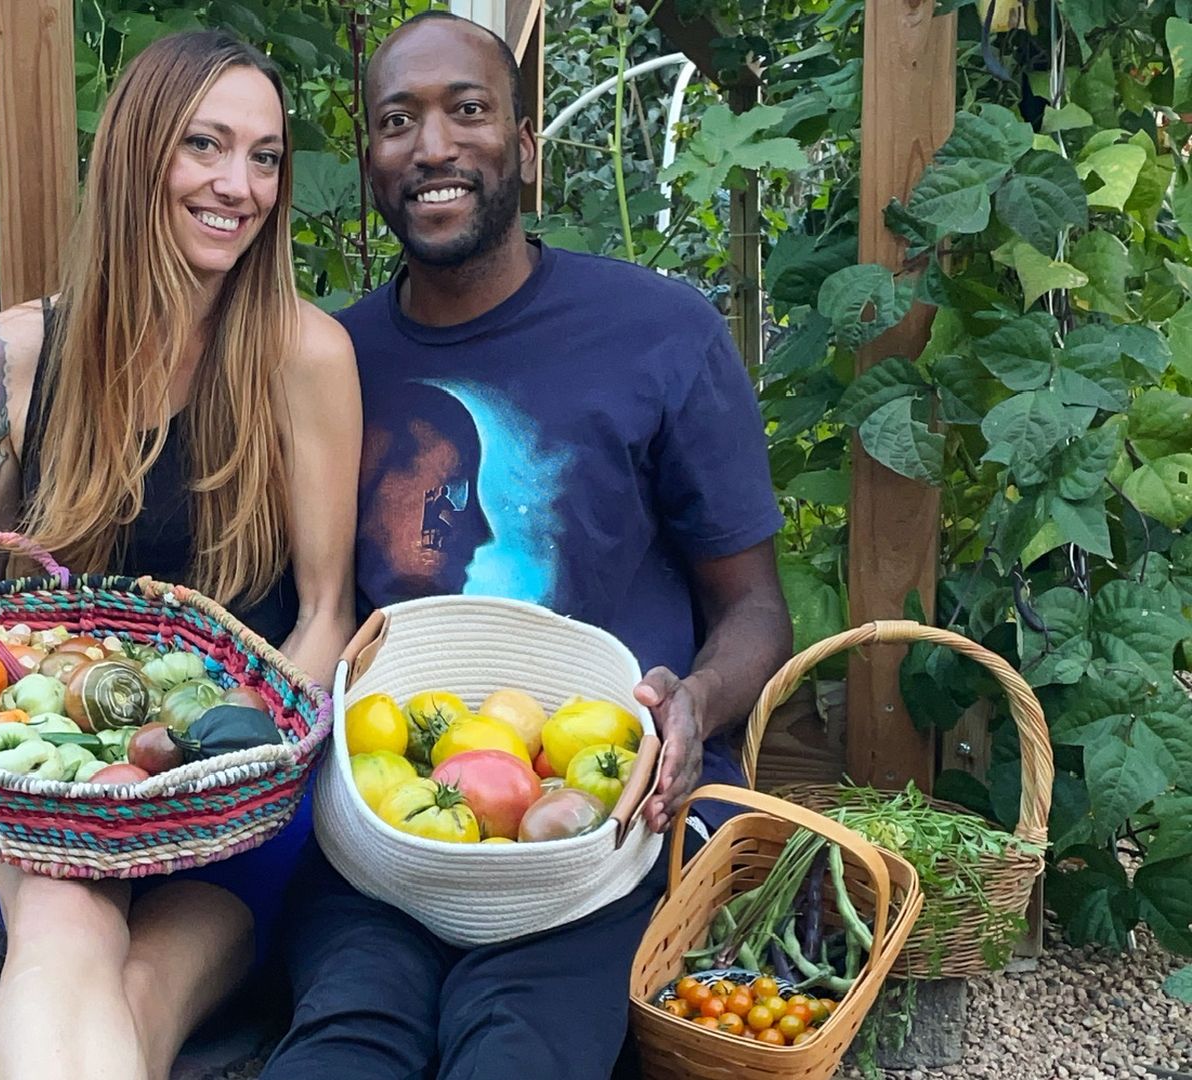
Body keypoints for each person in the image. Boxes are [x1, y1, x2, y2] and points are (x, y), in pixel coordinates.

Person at [259, 12, 793, 1080]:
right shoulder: (329, 363)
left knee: (521, 1048)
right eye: (397, 121)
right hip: (386, 831)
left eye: (469, 110)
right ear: (369, 161)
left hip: (602, 830)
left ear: (526, 147)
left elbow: (756, 610)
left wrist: (692, 703)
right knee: (344, 1043)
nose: (433, 146)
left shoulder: (660, 331)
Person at [0, 30, 361, 1080]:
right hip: (58, 787)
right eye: (205, 145)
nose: (237, 184)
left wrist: (216, 760)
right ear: (136, 154)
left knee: (142, 990)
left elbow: (327, 615)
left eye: (263, 156)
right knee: (67, 939)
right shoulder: (9, 359)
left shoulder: (306, 356)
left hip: (231, 801)